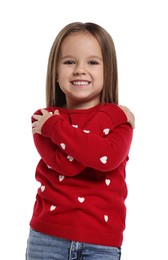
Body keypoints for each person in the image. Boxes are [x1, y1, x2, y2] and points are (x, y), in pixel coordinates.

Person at [26, 22, 135, 260]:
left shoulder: (121, 124)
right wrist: (112, 114)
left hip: (101, 245)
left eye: (92, 62)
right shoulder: (43, 119)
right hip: (46, 239)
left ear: (109, 72)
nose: (79, 70)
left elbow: (104, 159)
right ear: (55, 72)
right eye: (69, 62)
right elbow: (68, 164)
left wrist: (109, 114)